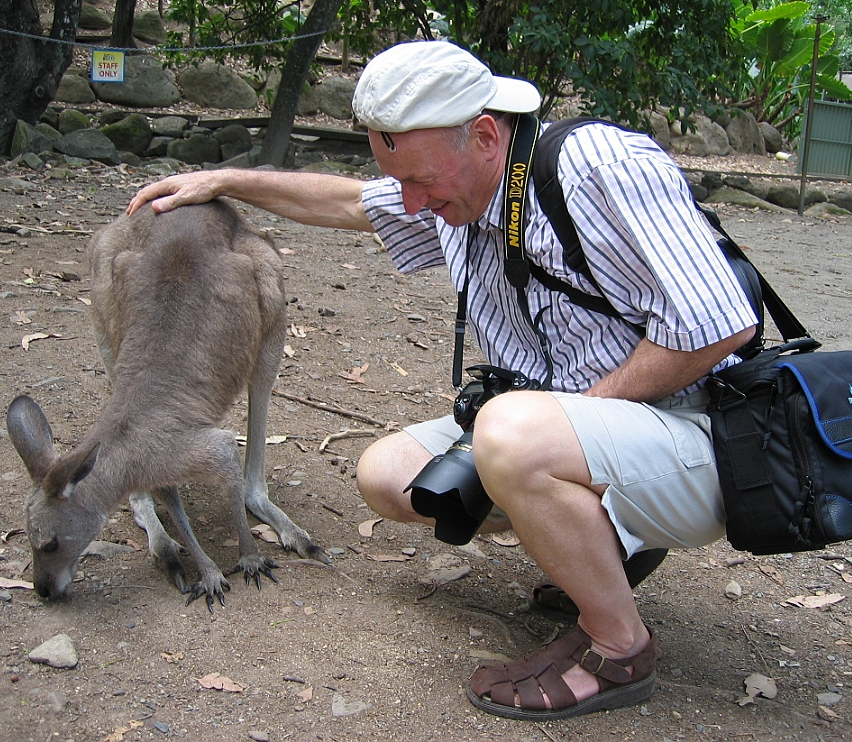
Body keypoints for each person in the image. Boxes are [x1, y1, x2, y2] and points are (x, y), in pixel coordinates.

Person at [128, 40, 758, 721]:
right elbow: (346, 204)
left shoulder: (593, 167)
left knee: (513, 434)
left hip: (706, 436)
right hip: (591, 431)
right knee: (391, 473)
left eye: (421, 182)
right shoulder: (459, 193)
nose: (411, 201)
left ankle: (619, 649)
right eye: (400, 182)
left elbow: (721, 326)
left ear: (486, 135)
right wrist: (223, 181)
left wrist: (571, 419)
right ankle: (600, 544)